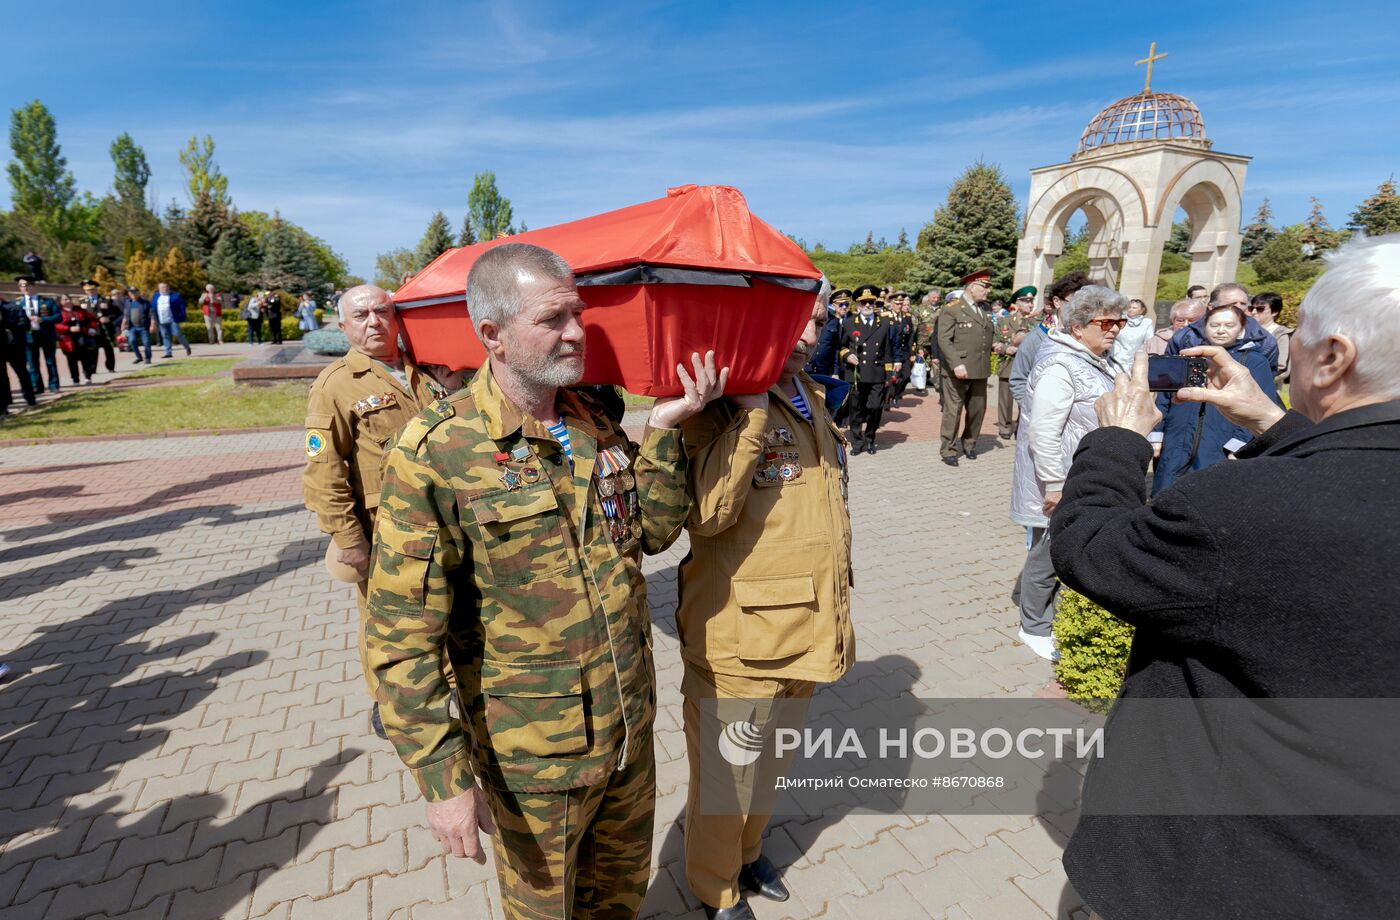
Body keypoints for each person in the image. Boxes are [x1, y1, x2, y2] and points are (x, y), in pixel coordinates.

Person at [365, 243, 724, 919]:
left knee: (617, 904)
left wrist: (668, 428)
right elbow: (399, 635)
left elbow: (650, 532)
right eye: (552, 319)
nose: (575, 332)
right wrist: (442, 778)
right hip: (534, 761)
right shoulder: (435, 451)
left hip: (627, 738)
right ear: (492, 336)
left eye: (578, 314)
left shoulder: (593, 420)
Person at [1050, 232, 1400, 920]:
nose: (1286, 350)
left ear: (1332, 358)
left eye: (1298, 339)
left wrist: (1117, 441)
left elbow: (1093, 551)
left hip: (1222, 873)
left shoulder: (1250, 507)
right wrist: (1276, 423)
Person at [677, 292, 853, 920]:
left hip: (808, 625)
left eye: (818, 320)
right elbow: (704, 514)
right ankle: (714, 889)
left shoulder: (809, 390)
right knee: (727, 780)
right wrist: (748, 416)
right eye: (794, 319)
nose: (808, 332)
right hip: (741, 635)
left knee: (771, 763)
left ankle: (747, 854)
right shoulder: (715, 401)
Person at [302, 284, 444, 738]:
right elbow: (323, 472)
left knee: (445, 605)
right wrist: (348, 539)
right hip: (385, 528)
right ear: (343, 327)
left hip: (445, 516)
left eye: (382, 311)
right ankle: (388, 702)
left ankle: (447, 687)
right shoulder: (336, 386)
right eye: (360, 315)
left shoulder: (428, 368)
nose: (373, 321)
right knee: (384, 619)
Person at [1009, 286, 1124, 661]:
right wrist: (1056, 484)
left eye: (1120, 321)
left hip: (1085, 474)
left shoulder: (1098, 358)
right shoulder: (1061, 365)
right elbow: (1043, 431)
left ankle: (1050, 616)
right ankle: (1033, 626)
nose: (1115, 329)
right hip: (1063, 478)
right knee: (1048, 554)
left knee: (1064, 551)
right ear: (1078, 326)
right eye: (1105, 321)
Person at [1150, 301, 1282, 494]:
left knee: (1209, 496)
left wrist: (1239, 445)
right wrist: (1157, 433)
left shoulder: (1253, 361)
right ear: (1205, 327)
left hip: (1221, 440)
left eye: (1229, 325)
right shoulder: (1188, 355)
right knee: (1166, 493)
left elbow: (1261, 404)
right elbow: (1165, 397)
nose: (1221, 330)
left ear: (1241, 329)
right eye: (1215, 325)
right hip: (1177, 437)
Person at [934, 269, 996, 465]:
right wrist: (956, 363)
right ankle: (948, 449)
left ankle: (969, 443)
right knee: (954, 410)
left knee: (977, 409)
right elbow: (944, 339)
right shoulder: (952, 309)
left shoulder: (985, 309)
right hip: (957, 369)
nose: (988, 291)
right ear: (971, 287)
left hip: (979, 368)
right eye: (984, 287)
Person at [1008, 272, 1091, 411]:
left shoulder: (1090, 336)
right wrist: (1033, 412)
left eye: (1085, 305)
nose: (1079, 310)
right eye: (1074, 303)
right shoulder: (1036, 338)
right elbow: (1018, 380)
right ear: (1057, 302)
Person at [1166, 282, 1278, 370]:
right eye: (1232, 304)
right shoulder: (1185, 337)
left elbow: (1265, 382)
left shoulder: (1264, 341)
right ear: (1211, 307)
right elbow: (1169, 375)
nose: (1239, 308)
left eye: (1243, 304)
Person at [838, 284, 894, 454]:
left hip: (876, 373)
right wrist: (847, 355)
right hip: (856, 374)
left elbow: (887, 351)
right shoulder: (848, 323)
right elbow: (841, 346)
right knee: (855, 410)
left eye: (871, 301)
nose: (868, 305)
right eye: (864, 302)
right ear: (857, 305)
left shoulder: (883, 323)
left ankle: (870, 438)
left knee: (875, 407)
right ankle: (857, 442)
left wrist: (889, 376)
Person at [994, 286, 1036, 439]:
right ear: (1017, 303)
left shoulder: (1036, 322)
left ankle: (1021, 426)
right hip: (1008, 365)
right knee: (1005, 399)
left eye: (1031, 302)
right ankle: (1004, 426)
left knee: (1025, 399)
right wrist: (1006, 348)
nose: (1030, 305)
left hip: (1027, 367)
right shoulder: (1003, 321)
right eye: (1026, 302)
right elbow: (995, 343)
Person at [16, 278, 61, 393]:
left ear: (34, 286)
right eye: (22, 286)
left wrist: (43, 319)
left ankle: (54, 385)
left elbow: (58, 317)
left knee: (50, 361)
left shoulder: (47, 301)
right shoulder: (17, 303)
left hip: (46, 335)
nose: (25, 288)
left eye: (27, 286)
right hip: (29, 336)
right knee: (32, 363)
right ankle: (37, 386)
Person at [1, 295, 38, 413]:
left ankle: (30, 399)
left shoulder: (14, 308)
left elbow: (25, 324)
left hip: (14, 347)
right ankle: (4, 405)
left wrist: (5, 322)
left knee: (22, 373)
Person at [1250, 291, 1293, 386]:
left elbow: (1282, 368)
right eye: (1251, 308)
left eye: (1260, 309)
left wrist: (1257, 383)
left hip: (1266, 389)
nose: (1253, 312)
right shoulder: (1244, 330)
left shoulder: (1281, 334)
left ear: (1274, 312)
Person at [57, 294, 99, 386]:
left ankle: (88, 377)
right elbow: (56, 325)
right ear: (60, 302)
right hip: (68, 340)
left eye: (68, 299)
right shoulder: (59, 312)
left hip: (82, 338)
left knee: (86, 359)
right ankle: (75, 379)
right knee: (72, 361)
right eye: (65, 299)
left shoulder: (80, 310)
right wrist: (68, 329)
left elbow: (92, 319)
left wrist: (91, 328)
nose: (67, 301)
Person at [1107, 298, 1155, 374]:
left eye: (1134, 308)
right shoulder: (1119, 320)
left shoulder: (1147, 323)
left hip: (1134, 360)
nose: (1130, 310)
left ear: (1142, 310)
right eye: (1129, 307)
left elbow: (1149, 341)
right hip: (1116, 359)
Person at [83, 280, 120, 373]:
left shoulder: (106, 300)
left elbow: (117, 313)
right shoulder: (82, 301)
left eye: (92, 289)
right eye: (88, 290)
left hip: (105, 329)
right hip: (91, 330)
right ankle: (92, 368)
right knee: (92, 349)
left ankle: (110, 367)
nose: (90, 292)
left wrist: (108, 318)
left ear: (96, 289)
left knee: (108, 349)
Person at [152, 282, 191, 358]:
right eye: (162, 287)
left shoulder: (175, 296)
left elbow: (182, 307)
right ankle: (168, 352)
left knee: (177, 334)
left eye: (166, 287)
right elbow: (153, 308)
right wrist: (153, 319)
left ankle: (187, 347)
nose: (165, 289)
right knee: (165, 336)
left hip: (173, 320)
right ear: (159, 288)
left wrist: (181, 317)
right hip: (161, 320)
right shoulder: (156, 296)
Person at [120, 286, 154, 364]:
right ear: (129, 293)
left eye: (135, 292)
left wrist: (152, 325)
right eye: (131, 292)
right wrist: (123, 324)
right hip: (132, 327)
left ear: (138, 292)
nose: (133, 294)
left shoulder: (145, 302)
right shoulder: (128, 302)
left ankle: (148, 358)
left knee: (146, 343)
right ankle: (139, 357)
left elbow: (152, 314)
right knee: (132, 341)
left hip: (143, 327)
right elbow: (125, 315)